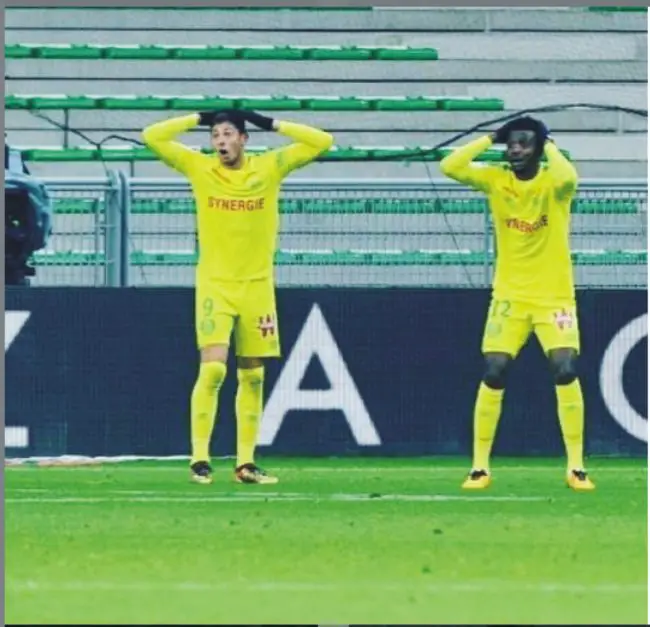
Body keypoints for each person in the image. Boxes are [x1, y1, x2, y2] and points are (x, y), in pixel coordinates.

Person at [142, 109, 334, 485]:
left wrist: (268, 122)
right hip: (216, 285)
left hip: (257, 287)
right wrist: (198, 117)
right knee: (213, 369)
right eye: (215, 135)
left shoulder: (269, 168)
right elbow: (152, 136)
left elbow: (322, 142)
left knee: (254, 376)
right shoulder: (200, 168)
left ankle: (245, 463)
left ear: (243, 139)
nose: (221, 141)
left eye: (228, 133)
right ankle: (200, 458)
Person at [440, 116, 595, 492]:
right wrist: (491, 137)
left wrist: (549, 142)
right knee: (494, 369)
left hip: (554, 297)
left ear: (539, 148)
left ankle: (576, 467)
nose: (515, 149)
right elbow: (450, 166)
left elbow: (570, 177)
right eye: (511, 143)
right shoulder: (497, 180)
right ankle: (479, 468)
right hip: (509, 297)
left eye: (525, 142)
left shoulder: (554, 185)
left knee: (564, 368)